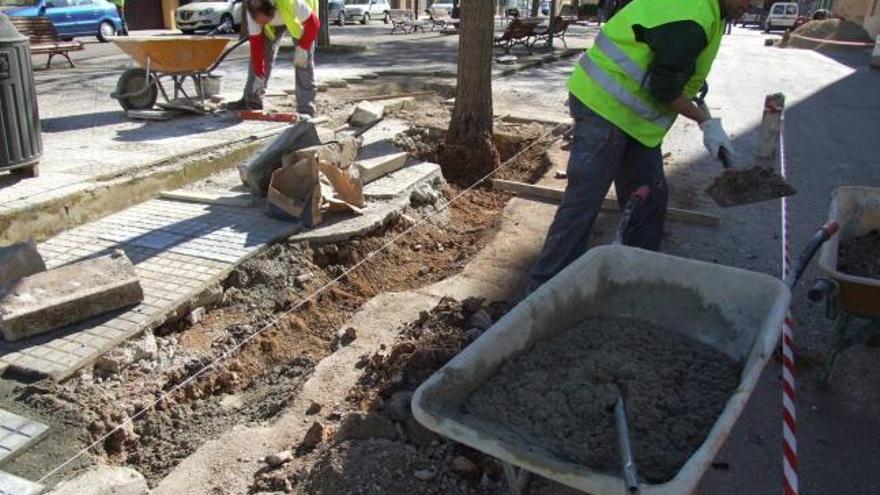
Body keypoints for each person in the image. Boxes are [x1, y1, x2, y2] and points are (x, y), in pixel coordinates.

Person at [528, 0, 750, 291]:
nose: (754, 5)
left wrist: (701, 108)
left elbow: (674, 70)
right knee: (586, 196)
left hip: (633, 116)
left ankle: (636, 276)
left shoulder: (713, 11)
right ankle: (546, 288)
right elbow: (664, 89)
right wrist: (705, 123)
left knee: (649, 196)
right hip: (603, 103)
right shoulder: (694, 17)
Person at [227, 0, 320, 116]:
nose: (260, 25)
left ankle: (306, 108)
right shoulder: (252, 11)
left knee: (303, 61)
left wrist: (304, 46)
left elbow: (314, 23)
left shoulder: (292, 3)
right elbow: (256, 48)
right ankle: (252, 100)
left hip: (302, 18)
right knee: (263, 53)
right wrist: (259, 74)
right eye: (259, 22)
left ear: (274, 11)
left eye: (264, 21)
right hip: (276, 17)